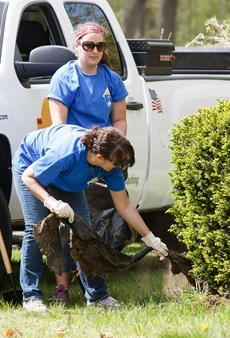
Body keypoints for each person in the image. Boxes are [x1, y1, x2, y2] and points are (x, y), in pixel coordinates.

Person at [12, 125, 168, 312]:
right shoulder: (66, 153)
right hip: (30, 166)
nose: (120, 168)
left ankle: (98, 297)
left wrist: (150, 237)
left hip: (65, 178)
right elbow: (29, 177)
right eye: (117, 163)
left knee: (85, 232)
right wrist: (51, 202)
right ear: (100, 158)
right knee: (35, 228)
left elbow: (124, 205)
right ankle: (31, 296)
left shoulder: (111, 166)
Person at [47, 21, 128, 300]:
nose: (94, 50)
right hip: (76, 160)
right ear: (77, 46)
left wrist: (111, 154)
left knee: (97, 225)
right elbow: (58, 126)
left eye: (100, 46)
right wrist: (87, 158)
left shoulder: (111, 79)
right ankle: (62, 286)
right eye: (88, 45)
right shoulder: (64, 77)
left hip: (104, 160)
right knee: (64, 225)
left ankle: (94, 284)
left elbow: (119, 120)